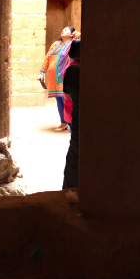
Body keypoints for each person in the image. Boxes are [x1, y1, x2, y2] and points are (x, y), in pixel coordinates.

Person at [40, 26, 75, 131]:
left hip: (65, 77)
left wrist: (75, 34)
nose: (62, 30)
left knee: (66, 99)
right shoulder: (55, 44)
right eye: (62, 29)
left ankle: (71, 123)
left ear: (71, 34)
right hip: (53, 78)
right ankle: (63, 122)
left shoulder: (73, 44)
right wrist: (42, 72)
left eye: (66, 30)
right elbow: (47, 58)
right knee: (59, 99)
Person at [61, 38, 81, 190]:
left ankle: (69, 191)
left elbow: (67, 95)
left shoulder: (72, 70)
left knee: (75, 157)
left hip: (78, 120)